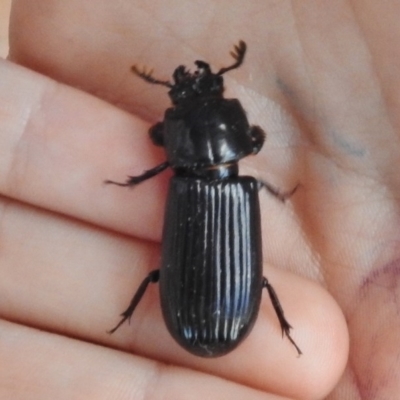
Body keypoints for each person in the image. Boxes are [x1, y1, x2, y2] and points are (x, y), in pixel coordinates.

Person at [2, 1, 398, 399]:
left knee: (181, 276)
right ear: (242, 137)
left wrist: (135, 177)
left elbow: (161, 146)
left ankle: (127, 319)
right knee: (253, 282)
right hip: (204, 316)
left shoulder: (179, 182)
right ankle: (288, 334)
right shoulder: (241, 185)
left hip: (200, 314)